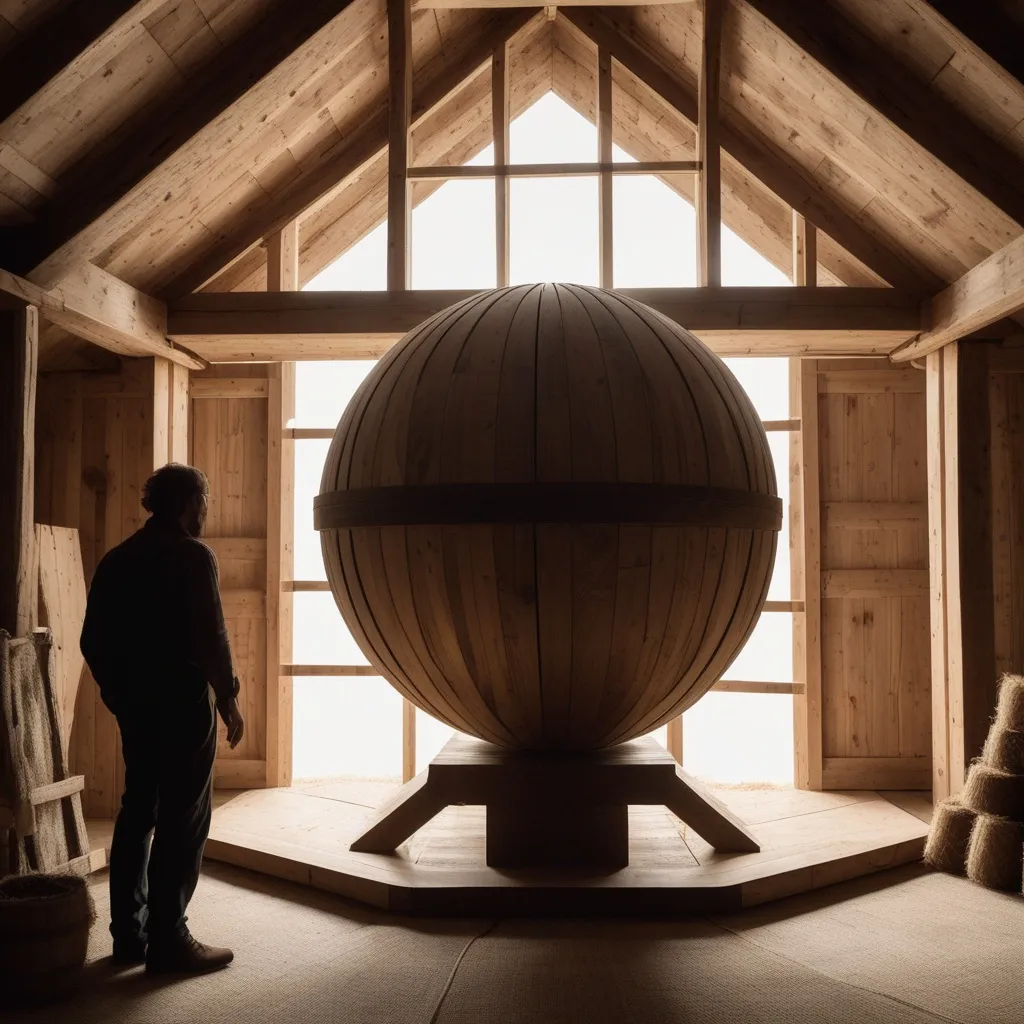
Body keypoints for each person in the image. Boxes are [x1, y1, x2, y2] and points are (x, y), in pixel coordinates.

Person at [80, 463, 244, 974]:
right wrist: (230, 698)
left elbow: (92, 642)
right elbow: (211, 639)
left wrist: (120, 696)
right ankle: (169, 938)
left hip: (137, 704)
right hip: (183, 702)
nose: (207, 511)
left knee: (138, 809)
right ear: (189, 503)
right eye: (205, 500)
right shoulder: (194, 557)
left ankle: (130, 935)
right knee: (184, 814)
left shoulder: (117, 560)